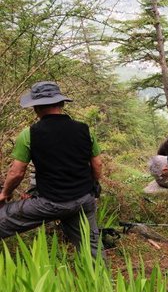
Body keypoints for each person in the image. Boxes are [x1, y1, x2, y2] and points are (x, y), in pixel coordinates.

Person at [0, 81, 103, 259]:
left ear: (36, 107)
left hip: (50, 203)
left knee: (3, 218)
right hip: (83, 199)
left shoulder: (29, 134)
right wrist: (92, 185)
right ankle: (100, 281)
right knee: (91, 246)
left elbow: (16, 173)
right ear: (61, 104)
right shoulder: (84, 130)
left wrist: (5, 193)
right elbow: (98, 165)